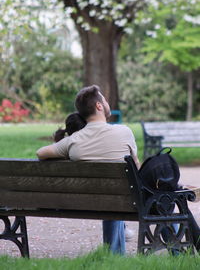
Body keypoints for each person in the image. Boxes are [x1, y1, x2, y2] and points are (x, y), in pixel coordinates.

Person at [36, 85, 140, 255]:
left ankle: (115, 256)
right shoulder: (124, 132)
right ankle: (180, 247)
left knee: (110, 195)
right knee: (164, 198)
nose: (106, 103)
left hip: (92, 201)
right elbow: (138, 170)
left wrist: (68, 152)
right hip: (126, 201)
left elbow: (40, 153)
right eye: (104, 100)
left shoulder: (73, 141)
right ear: (99, 106)